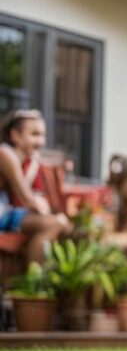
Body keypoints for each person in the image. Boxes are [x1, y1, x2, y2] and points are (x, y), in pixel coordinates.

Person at [0, 109, 70, 264]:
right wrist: (41, 207)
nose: (41, 142)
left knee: (60, 223)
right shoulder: (5, 154)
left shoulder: (21, 158)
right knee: (55, 223)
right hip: (3, 214)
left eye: (42, 135)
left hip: (4, 212)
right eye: (34, 134)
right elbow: (27, 198)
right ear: (15, 135)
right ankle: (34, 281)